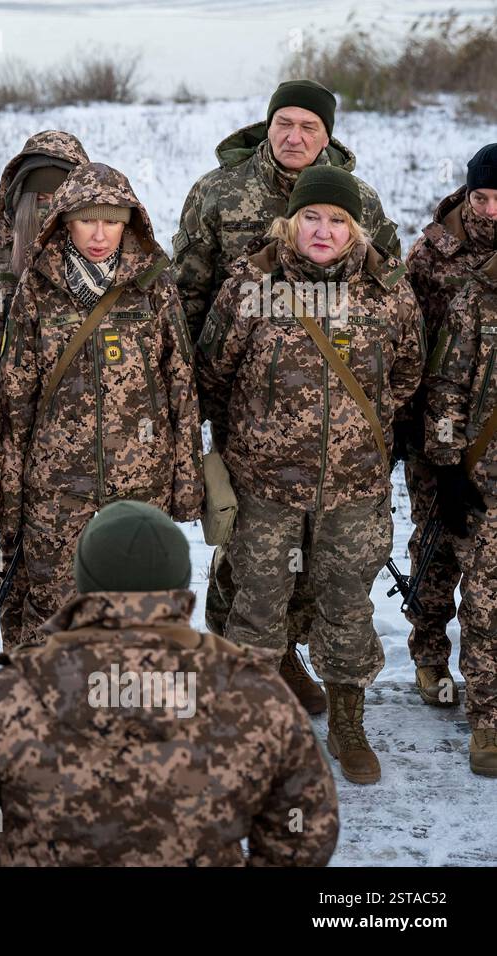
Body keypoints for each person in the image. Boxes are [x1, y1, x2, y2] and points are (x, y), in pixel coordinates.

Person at [0, 501, 339, 867]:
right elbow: (307, 827)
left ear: (84, 579)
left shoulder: (12, 693)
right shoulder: (253, 691)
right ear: (180, 580)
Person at [174, 80, 401, 714]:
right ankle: (246, 661)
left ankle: (289, 655)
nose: (295, 136)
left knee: (322, 553)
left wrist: (380, 411)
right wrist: (198, 404)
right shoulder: (216, 194)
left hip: (338, 411)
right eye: (285, 123)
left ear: (327, 135)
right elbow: (188, 296)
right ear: (268, 125)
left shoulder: (360, 201)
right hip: (246, 398)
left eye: (309, 126)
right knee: (250, 546)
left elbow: (390, 299)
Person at [197, 165, 424, 785]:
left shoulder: (387, 290)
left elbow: (406, 372)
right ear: (290, 221)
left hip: (353, 488)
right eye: (312, 217)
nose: (323, 230)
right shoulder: (250, 284)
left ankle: (348, 723)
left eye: (338, 220)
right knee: (258, 609)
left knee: (348, 607)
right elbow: (213, 372)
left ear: (356, 228)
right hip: (264, 489)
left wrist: (355, 434)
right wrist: (252, 441)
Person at [0, 162, 203, 647]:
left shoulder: (154, 283)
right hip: (56, 484)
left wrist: (186, 479)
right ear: (65, 220)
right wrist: (10, 493)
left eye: (111, 220)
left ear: (129, 223)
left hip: (139, 481)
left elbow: (181, 385)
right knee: (54, 610)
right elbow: (15, 397)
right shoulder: (37, 287)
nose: (99, 233)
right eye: (87, 219)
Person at [0, 129, 89, 646]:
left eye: (60, 195)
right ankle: (22, 667)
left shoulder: (99, 258)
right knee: (18, 566)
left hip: (75, 442)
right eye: (37, 196)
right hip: (5, 439)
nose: (48, 205)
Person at [401, 144, 497, 707]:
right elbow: (403, 338)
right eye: (480, 197)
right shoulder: (432, 255)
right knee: (437, 543)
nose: (489, 212)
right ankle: (430, 653)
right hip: (432, 427)